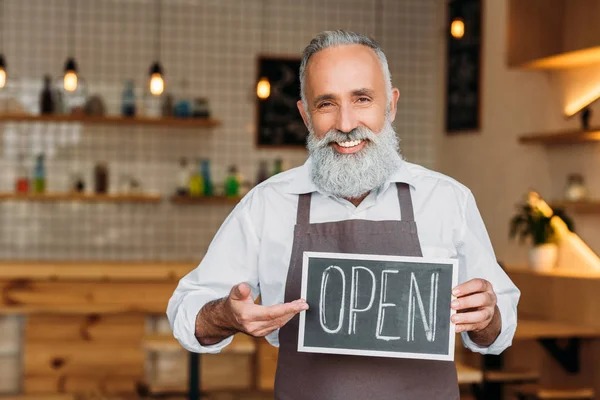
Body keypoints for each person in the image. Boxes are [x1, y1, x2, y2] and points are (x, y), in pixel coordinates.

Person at [167, 30, 520, 399]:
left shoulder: (447, 200)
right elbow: (185, 314)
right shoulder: (267, 205)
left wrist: (486, 317)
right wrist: (226, 315)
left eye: (362, 99)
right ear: (305, 114)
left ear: (391, 105)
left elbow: (499, 329)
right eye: (326, 104)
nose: (347, 123)